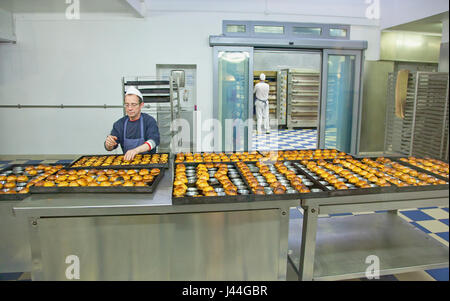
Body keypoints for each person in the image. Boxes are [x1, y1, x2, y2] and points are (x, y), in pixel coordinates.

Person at [104, 86, 160, 161]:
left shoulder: (149, 121)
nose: (130, 108)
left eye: (133, 104)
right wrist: (108, 144)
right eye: (127, 105)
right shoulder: (120, 124)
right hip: (128, 164)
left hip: (149, 164)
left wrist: (136, 150)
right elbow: (111, 147)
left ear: (141, 105)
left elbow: (153, 141)